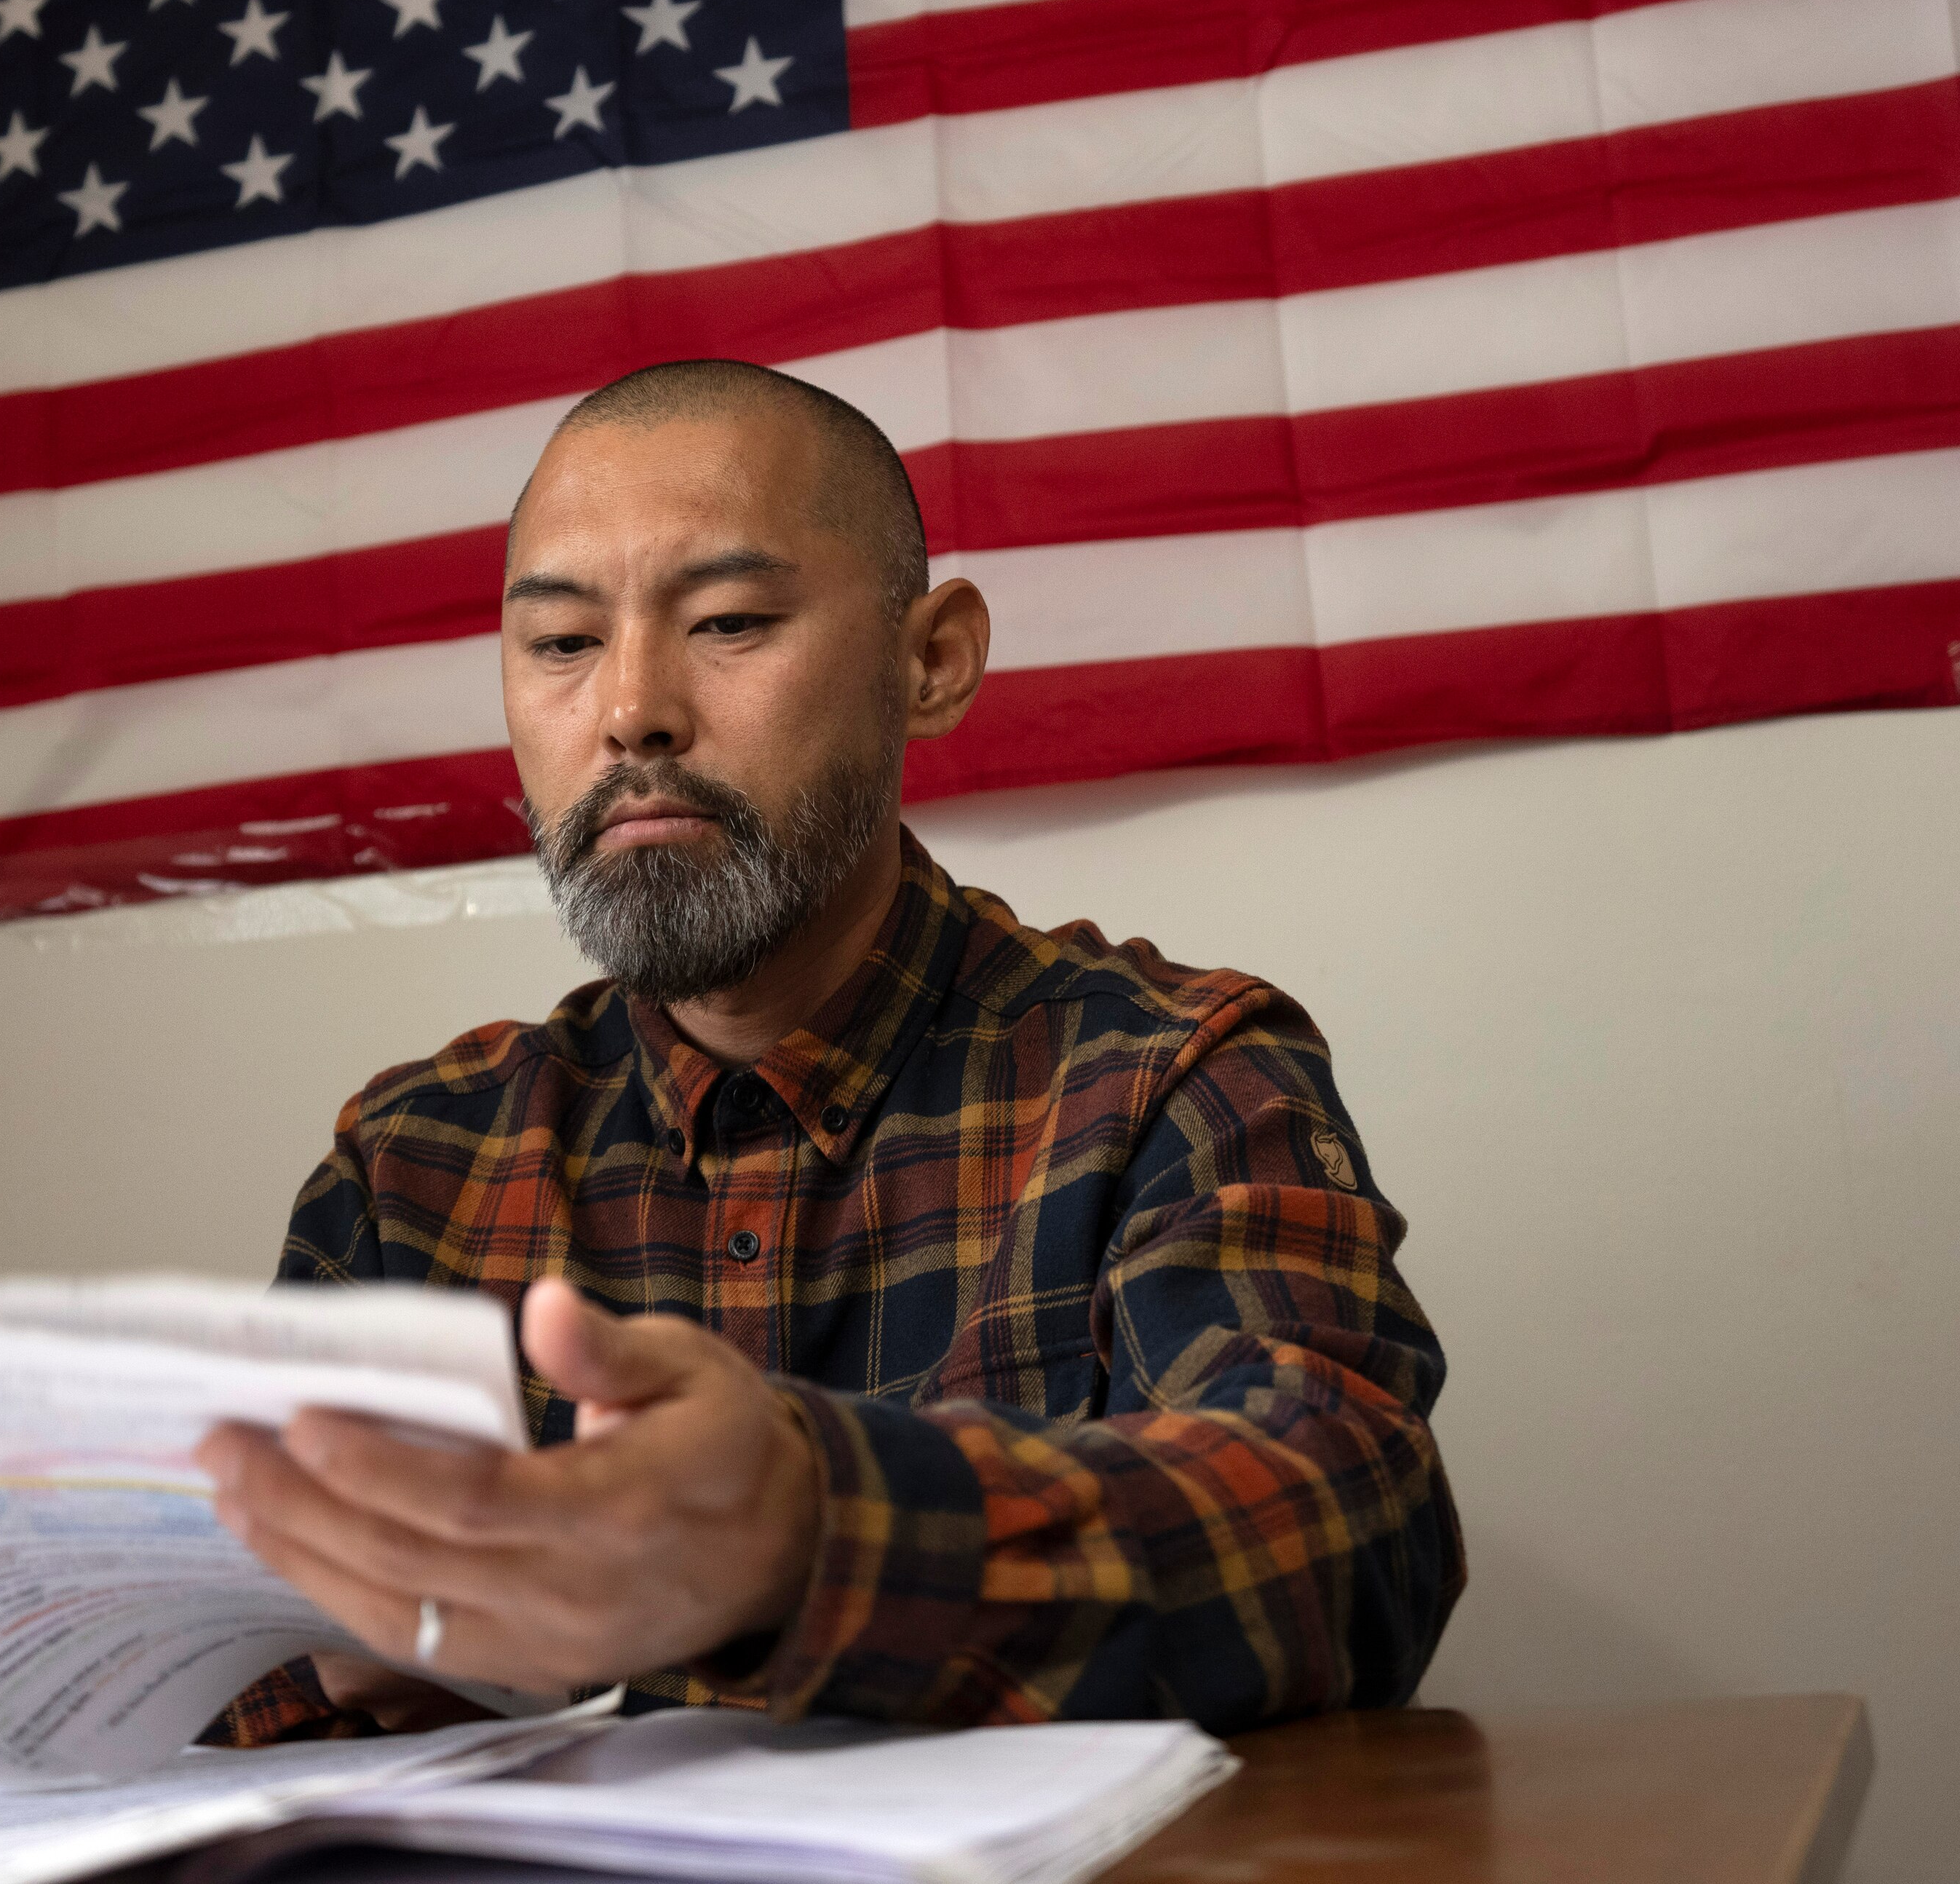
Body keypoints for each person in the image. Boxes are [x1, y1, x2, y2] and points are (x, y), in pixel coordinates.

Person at [197, 359, 1460, 1735]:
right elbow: (233, 1668)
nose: (630, 711)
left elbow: (1350, 1528)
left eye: (729, 619)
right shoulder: (412, 1167)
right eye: (561, 644)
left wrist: (807, 1535)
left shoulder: (1172, 1074)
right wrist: (309, 1662)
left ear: (932, 661)